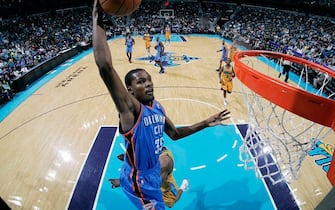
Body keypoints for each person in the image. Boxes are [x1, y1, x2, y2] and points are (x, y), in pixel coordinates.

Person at [92, 1, 230, 209]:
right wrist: (97, 18)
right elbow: (105, 67)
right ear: (129, 91)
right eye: (140, 81)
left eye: (148, 79)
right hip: (142, 185)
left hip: (148, 173)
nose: (148, 83)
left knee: (163, 163)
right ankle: (126, 181)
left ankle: (124, 178)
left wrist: (205, 122)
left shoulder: (157, 107)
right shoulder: (131, 110)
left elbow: (174, 134)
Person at [110, 147, 189, 208]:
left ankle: (183, 187)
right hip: (159, 179)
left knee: (172, 202)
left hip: (167, 189)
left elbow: (150, 185)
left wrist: (123, 182)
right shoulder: (152, 152)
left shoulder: (164, 164)